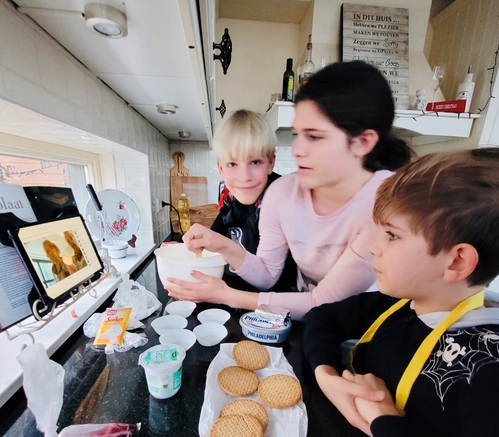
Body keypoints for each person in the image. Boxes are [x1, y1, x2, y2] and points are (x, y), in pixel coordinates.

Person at [302, 148, 499, 437]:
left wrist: (387, 425)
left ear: (456, 261)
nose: (374, 245)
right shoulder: (403, 303)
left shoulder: (485, 374)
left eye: (392, 235)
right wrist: (326, 376)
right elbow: (322, 318)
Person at [166, 61, 412, 320]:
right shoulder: (282, 193)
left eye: (314, 136)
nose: (296, 149)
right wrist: (222, 244)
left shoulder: (387, 203)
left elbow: (322, 303)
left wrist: (225, 295)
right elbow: (267, 275)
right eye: (297, 134)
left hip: (365, 327)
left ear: (362, 142)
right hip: (306, 325)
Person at [205, 109, 296, 292]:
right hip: (237, 295)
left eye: (255, 162)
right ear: (221, 168)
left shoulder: (281, 197)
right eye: (233, 164)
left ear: (271, 163)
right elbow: (212, 241)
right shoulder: (230, 198)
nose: (244, 177)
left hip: (277, 304)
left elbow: (273, 279)